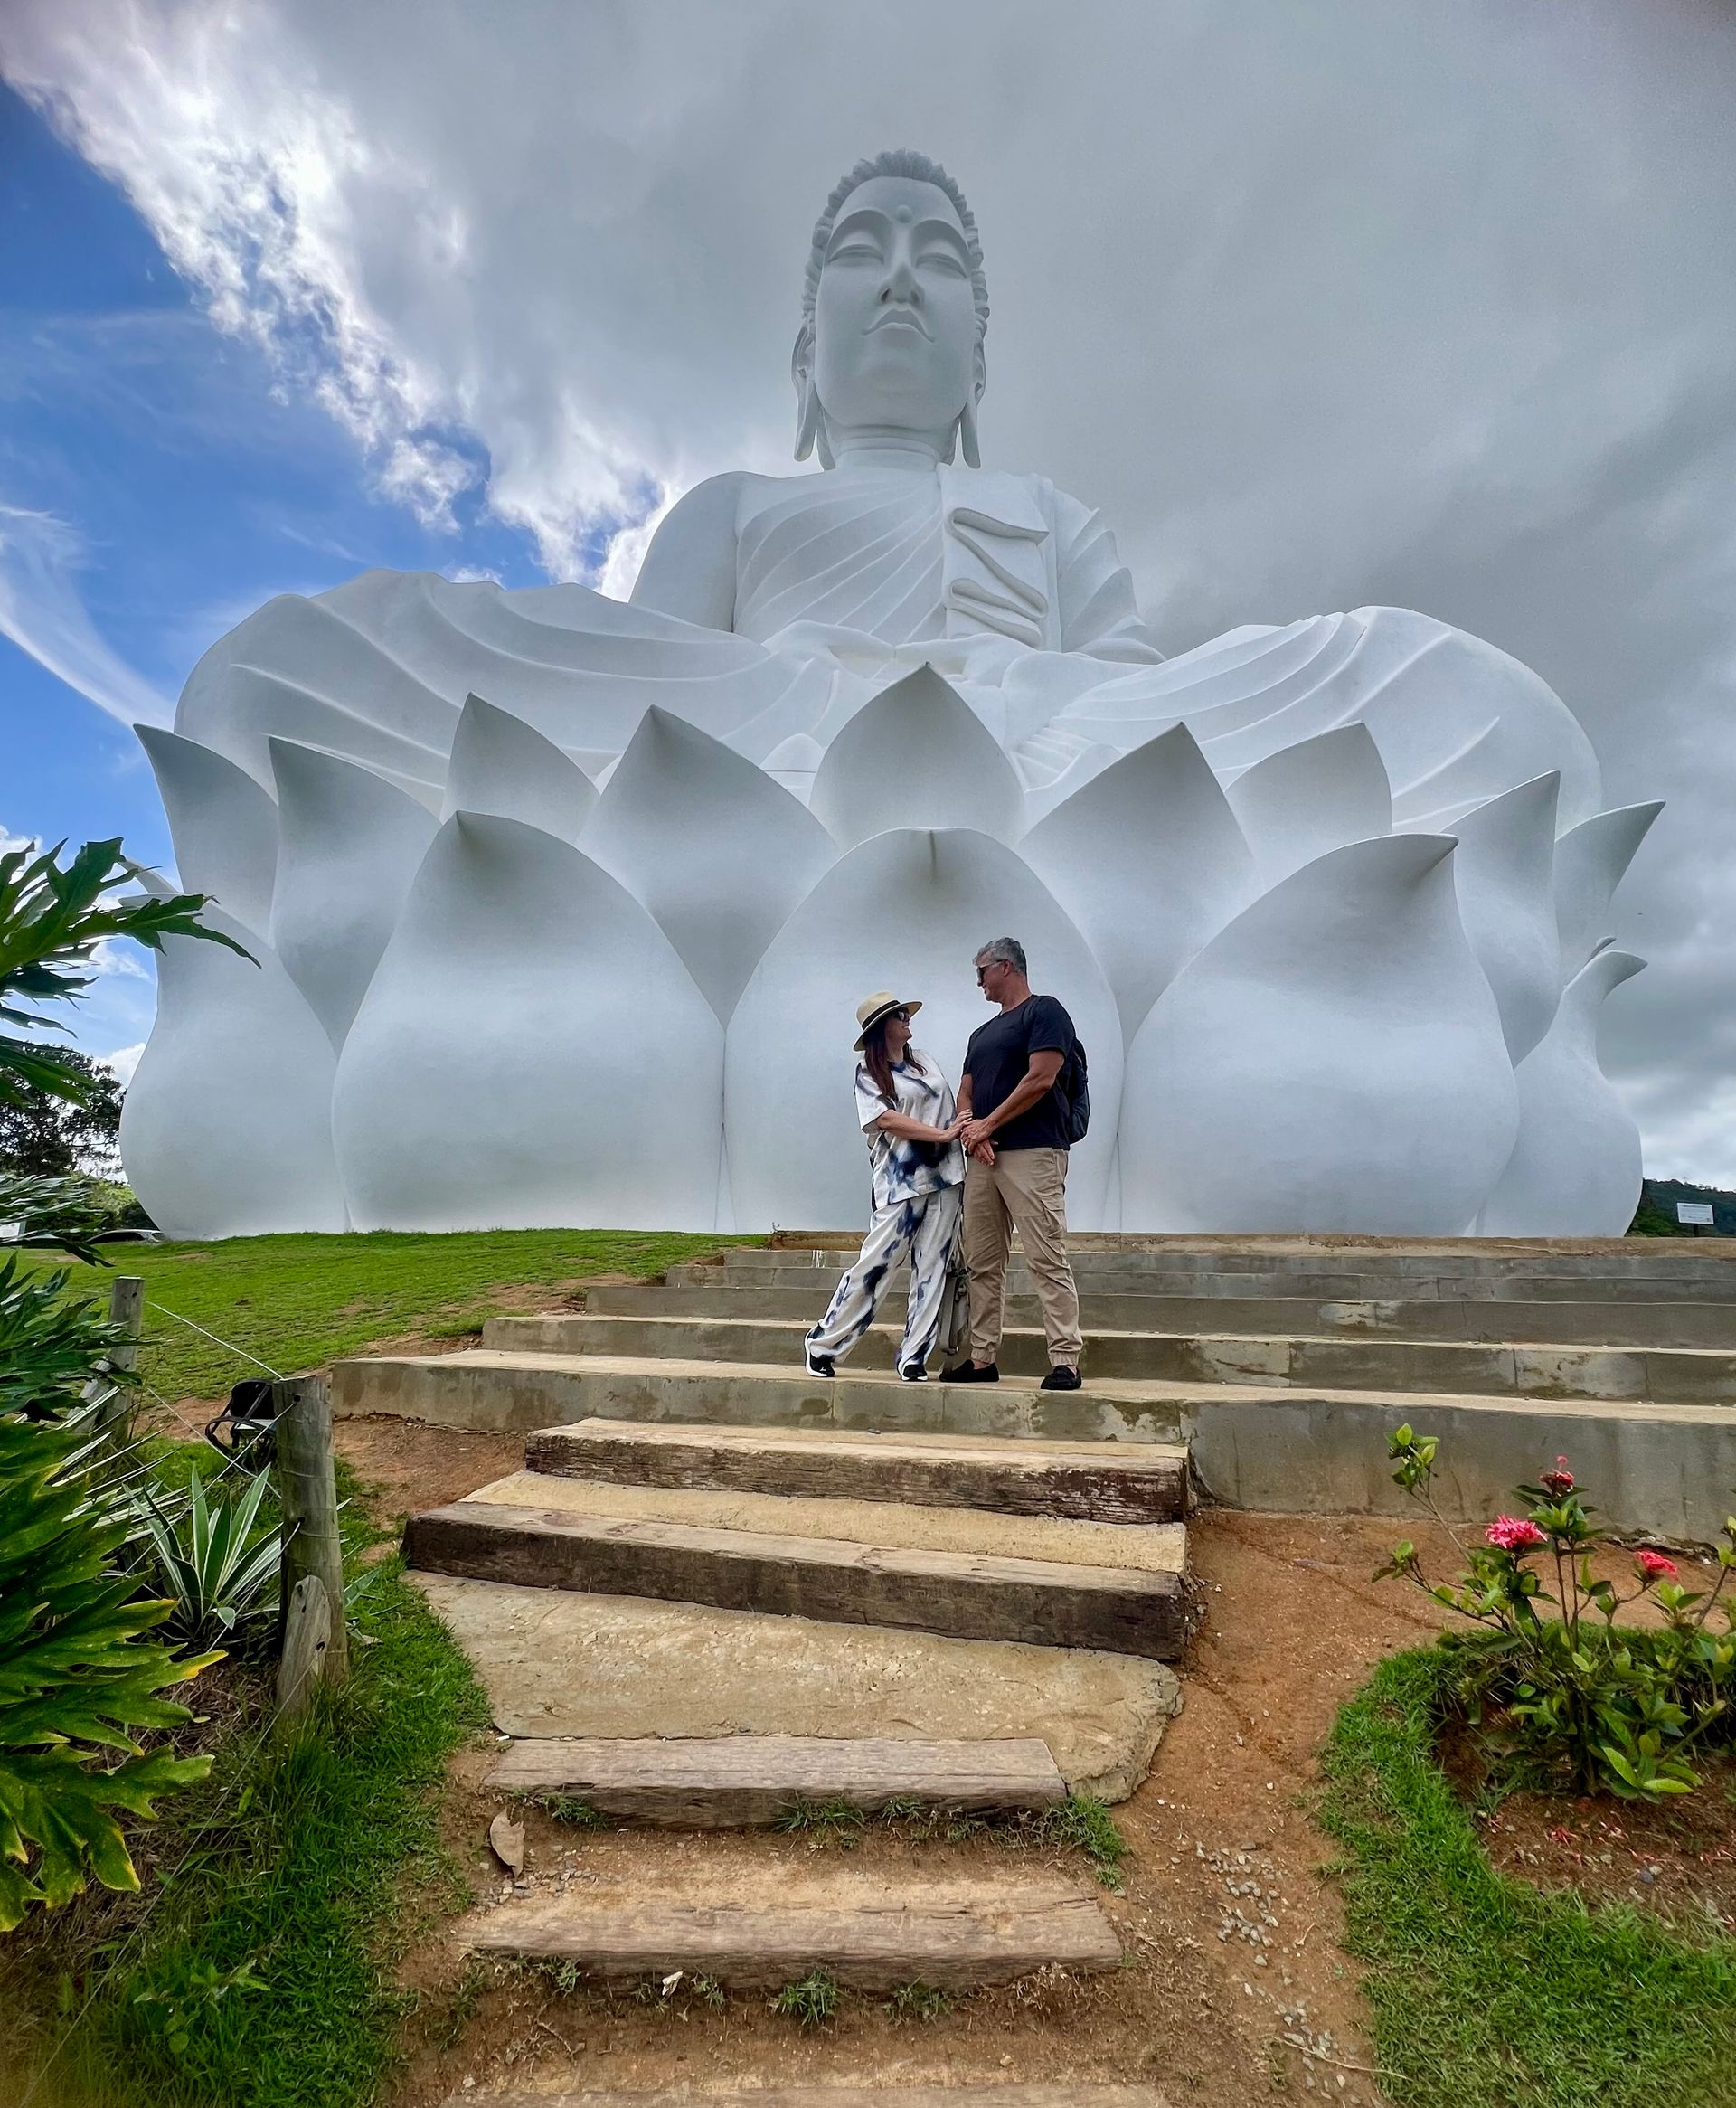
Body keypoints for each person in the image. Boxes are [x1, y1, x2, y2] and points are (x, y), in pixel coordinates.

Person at [803, 991, 967, 1381]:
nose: (907, 1018)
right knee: (876, 1266)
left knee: (932, 1268)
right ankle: (823, 1344)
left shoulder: (924, 1060)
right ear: (883, 1027)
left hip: (946, 1179)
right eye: (899, 1015)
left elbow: (948, 1103)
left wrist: (962, 1129)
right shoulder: (868, 1073)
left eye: (905, 1012)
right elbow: (887, 1120)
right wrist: (942, 1136)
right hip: (899, 1183)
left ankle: (914, 1356)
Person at [946, 938, 1084, 1391]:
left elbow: (1041, 1078)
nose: (979, 981)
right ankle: (983, 1358)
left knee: (1046, 1255)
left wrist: (987, 1126)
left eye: (982, 971)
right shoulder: (980, 1034)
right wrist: (972, 1127)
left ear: (1006, 967)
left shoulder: (1045, 1012)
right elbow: (966, 1088)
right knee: (982, 1261)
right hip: (984, 1158)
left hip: (1034, 1151)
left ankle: (1065, 1360)